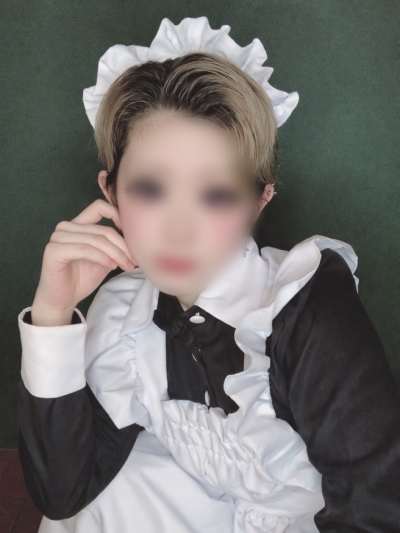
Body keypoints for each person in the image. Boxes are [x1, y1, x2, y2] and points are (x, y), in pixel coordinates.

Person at [17, 16, 400, 533]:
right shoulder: (123, 313)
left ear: (260, 201)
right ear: (111, 193)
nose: (179, 230)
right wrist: (53, 313)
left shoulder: (306, 309)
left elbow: (376, 506)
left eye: (215, 195)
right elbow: (62, 495)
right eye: (150, 189)